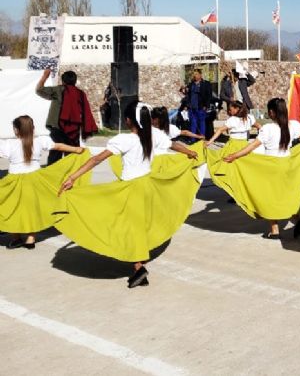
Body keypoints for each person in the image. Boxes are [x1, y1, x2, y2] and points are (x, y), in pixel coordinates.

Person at [56, 102, 199, 288]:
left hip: (130, 189)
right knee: (140, 224)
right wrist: (189, 152)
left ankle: (139, 268)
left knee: (126, 226)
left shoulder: (125, 139)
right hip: (148, 185)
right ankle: (139, 265)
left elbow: (97, 159)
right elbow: (174, 145)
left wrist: (73, 177)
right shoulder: (153, 135)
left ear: (128, 120)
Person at [220, 98, 300, 239]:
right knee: (283, 195)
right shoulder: (292, 126)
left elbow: (251, 147)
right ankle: (297, 218)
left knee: (268, 197)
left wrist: (235, 156)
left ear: (272, 113)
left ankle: (275, 229)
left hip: (270, 167)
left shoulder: (268, 129)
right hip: (286, 164)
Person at [0, 116, 88, 249]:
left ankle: (16, 238)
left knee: (12, 208)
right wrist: (76, 150)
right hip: (35, 179)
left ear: (16, 130)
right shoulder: (40, 141)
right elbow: (58, 146)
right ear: (33, 128)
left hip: (14, 182)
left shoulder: (8, 144)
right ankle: (31, 239)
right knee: (32, 208)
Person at [35, 68, 98, 165]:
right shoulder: (80, 94)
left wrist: (45, 76)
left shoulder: (58, 90)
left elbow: (39, 90)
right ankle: (71, 176)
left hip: (57, 127)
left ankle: (53, 175)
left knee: (55, 154)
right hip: (73, 129)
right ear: (75, 81)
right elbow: (86, 111)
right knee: (72, 154)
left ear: (63, 81)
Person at [184, 69, 213, 138]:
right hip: (192, 107)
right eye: (194, 74)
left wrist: (206, 106)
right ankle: (193, 139)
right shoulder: (191, 84)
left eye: (196, 74)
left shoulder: (206, 84)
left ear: (200, 75)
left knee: (201, 123)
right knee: (193, 124)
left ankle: (201, 138)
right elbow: (188, 95)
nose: (195, 76)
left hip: (201, 107)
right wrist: (186, 105)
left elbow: (209, 96)